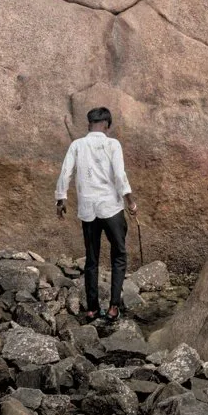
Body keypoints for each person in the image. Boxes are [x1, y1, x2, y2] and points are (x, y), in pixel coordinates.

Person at [55, 106, 136, 322]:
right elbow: (120, 175)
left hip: (88, 210)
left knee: (92, 259)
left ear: (88, 124)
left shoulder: (77, 145)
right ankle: (113, 308)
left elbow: (66, 172)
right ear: (107, 126)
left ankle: (91, 309)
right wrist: (131, 201)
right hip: (111, 209)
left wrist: (60, 198)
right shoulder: (112, 144)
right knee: (118, 255)